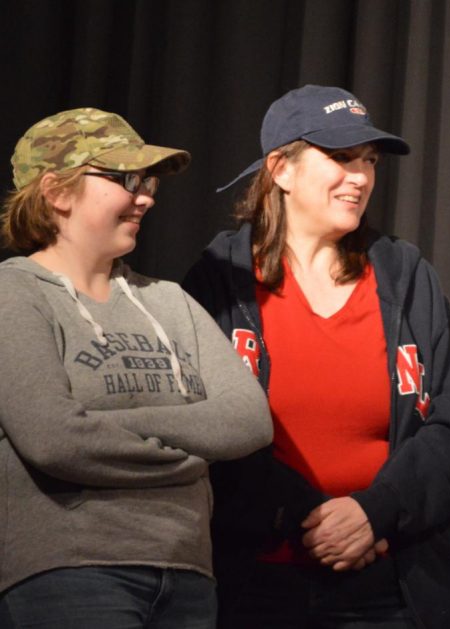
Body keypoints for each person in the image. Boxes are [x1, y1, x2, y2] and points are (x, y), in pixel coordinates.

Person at [182, 85, 450, 628]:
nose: (361, 176)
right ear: (281, 169)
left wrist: (375, 513)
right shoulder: (220, 279)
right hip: (255, 586)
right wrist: (310, 518)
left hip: (392, 583)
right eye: (340, 158)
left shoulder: (403, 273)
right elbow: (200, 428)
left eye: (367, 161)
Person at [0, 108, 272, 628]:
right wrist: (195, 451)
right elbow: (54, 439)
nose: (145, 195)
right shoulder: (14, 294)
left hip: (188, 574)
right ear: (57, 191)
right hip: (69, 573)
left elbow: (248, 420)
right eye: (126, 179)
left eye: (146, 181)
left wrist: (106, 424)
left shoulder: (169, 300)